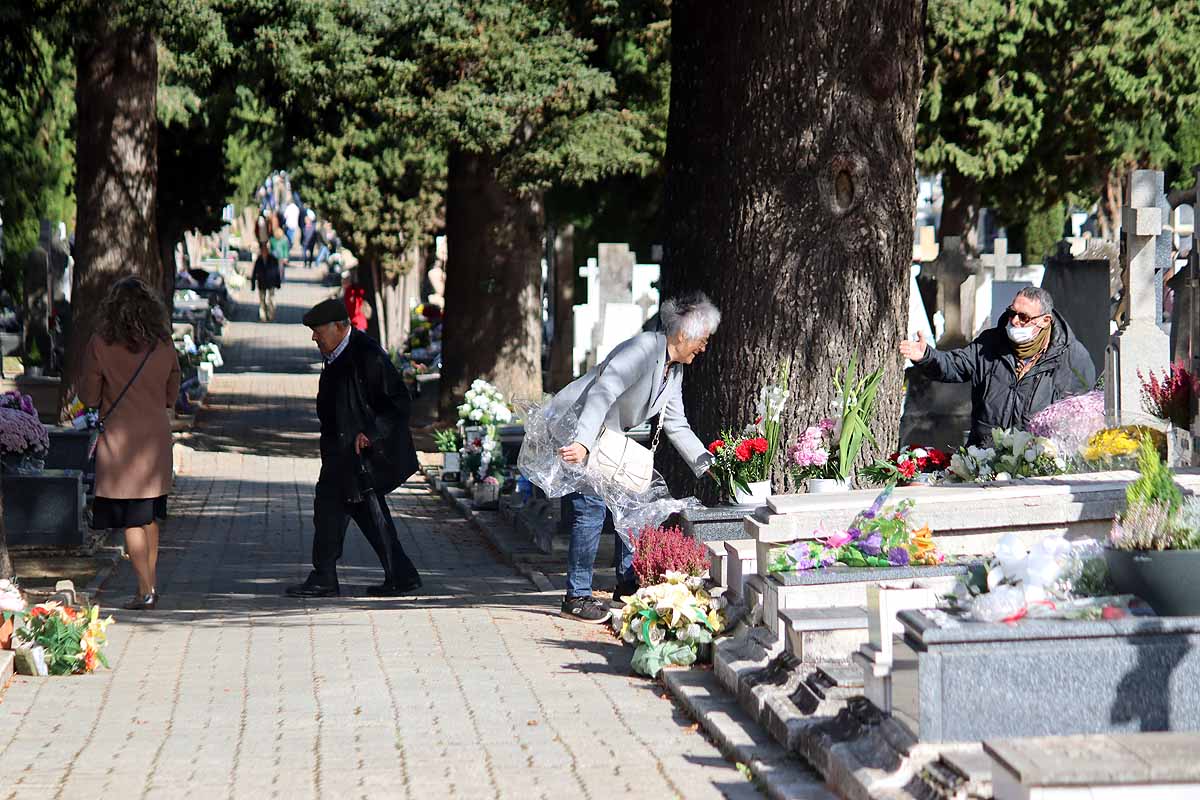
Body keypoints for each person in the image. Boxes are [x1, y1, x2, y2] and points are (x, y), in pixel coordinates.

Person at [549, 291, 721, 623]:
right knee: (591, 511)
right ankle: (577, 595)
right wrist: (583, 442)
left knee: (632, 504)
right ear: (684, 333)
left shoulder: (674, 370)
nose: (704, 347)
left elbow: (676, 424)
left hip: (608, 439)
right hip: (581, 426)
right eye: (702, 339)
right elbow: (603, 392)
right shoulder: (643, 349)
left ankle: (627, 584)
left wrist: (709, 466)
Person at [286, 299, 422, 598]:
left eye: (317, 330)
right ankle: (395, 576)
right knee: (347, 514)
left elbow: (398, 402)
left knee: (351, 513)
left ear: (340, 326)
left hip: (360, 455)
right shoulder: (335, 353)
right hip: (341, 451)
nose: (314, 337)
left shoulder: (366, 355)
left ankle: (332, 576)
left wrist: (370, 433)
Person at [80, 277, 182, 610]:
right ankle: (148, 584)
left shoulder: (100, 343)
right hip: (154, 440)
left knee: (132, 520)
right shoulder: (163, 344)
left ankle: (145, 591)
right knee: (149, 516)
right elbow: (173, 385)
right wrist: (162, 399)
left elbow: (89, 395)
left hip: (120, 444)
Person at [899, 285, 1095, 446]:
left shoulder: (1072, 357)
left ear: (1045, 321)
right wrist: (926, 356)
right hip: (986, 454)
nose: (1015, 321)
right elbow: (954, 366)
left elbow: (1079, 413)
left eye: (1023, 317)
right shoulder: (991, 343)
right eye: (1012, 313)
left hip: (1039, 460)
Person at [251, 246, 282, 322]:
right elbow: (255, 272)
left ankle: (270, 315)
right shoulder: (259, 260)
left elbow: (277, 272)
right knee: (262, 300)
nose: (264, 252)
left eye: (265, 250)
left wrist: (278, 283)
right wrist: (253, 283)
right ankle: (263, 316)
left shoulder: (273, 259)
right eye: (262, 250)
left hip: (271, 282)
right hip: (262, 282)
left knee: (271, 299)